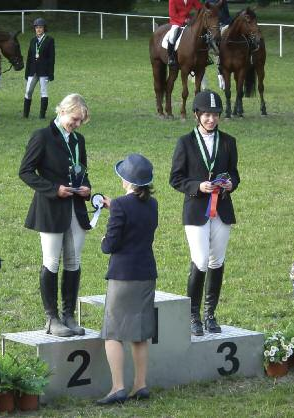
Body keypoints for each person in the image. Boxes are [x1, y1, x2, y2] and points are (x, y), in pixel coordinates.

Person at [19, 93, 91, 337]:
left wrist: (86, 188)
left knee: (74, 261)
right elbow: (26, 171)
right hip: (51, 208)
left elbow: (83, 170)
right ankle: (51, 318)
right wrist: (53, 189)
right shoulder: (42, 136)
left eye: (80, 121)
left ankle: (68, 314)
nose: (77, 124)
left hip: (75, 207)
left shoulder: (78, 140)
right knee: (51, 261)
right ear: (62, 111)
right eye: (74, 119)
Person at [169, 90, 240, 337]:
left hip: (222, 209)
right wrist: (197, 186)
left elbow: (234, 173)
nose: (211, 119)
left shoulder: (229, 142)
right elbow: (175, 179)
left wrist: (231, 183)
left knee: (216, 261)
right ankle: (193, 315)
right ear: (197, 115)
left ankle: (210, 313)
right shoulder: (185, 143)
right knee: (200, 261)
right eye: (207, 115)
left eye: (215, 115)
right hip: (196, 209)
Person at [97, 153, 158, 405]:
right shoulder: (152, 203)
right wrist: (116, 206)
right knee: (140, 333)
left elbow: (110, 245)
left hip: (123, 276)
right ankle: (140, 385)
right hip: (146, 273)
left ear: (126, 180)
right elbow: (134, 213)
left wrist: (103, 240)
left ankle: (118, 387)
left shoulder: (121, 205)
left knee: (113, 332)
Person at [23, 17, 55, 119]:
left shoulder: (49, 40)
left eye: (41, 27)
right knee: (28, 91)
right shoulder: (33, 40)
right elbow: (29, 57)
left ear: (44, 28)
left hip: (44, 70)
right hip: (33, 70)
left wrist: (50, 73)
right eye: (37, 27)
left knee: (43, 92)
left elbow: (52, 58)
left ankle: (42, 115)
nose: (39, 29)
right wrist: (27, 72)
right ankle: (25, 114)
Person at [168, 0, 202, 67]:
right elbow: (172, 14)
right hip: (176, 22)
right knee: (172, 36)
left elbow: (199, 8)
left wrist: (207, 10)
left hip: (189, 21)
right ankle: (171, 57)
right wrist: (183, 20)